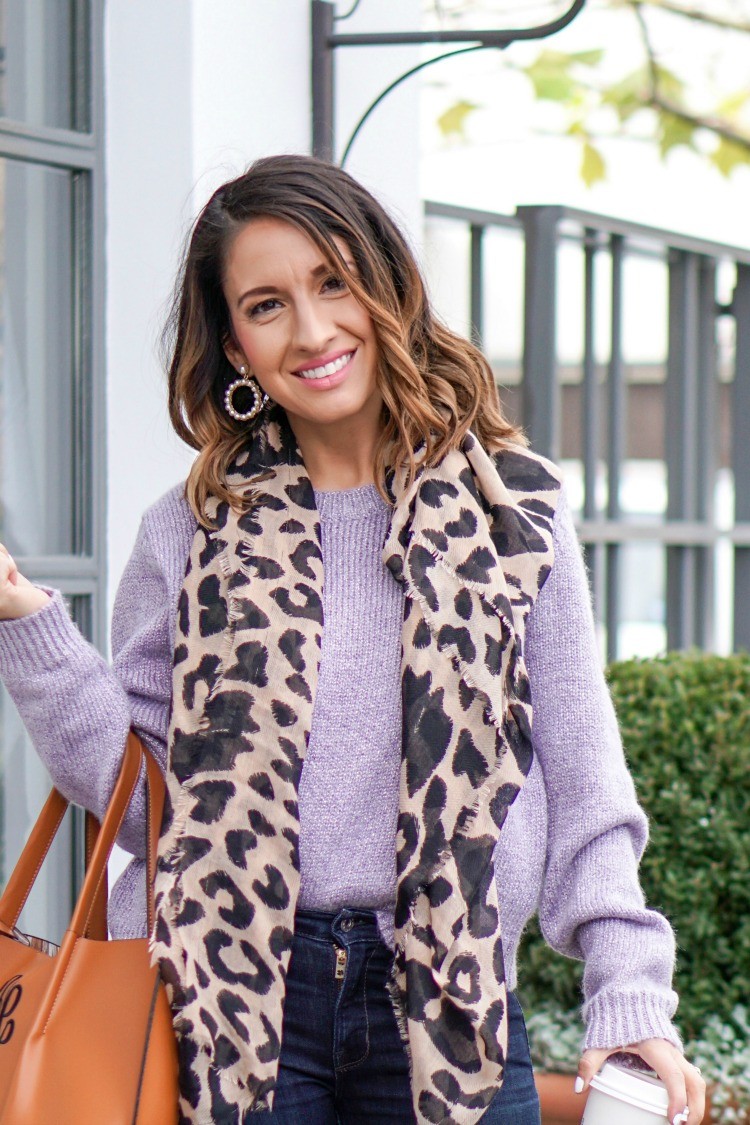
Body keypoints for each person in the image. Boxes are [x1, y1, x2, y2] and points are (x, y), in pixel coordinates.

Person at [0, 154, 705, 1125]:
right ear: (235, 343)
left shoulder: (512, 508)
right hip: (239, 1010)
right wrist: (27, 625)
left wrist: (630, 999)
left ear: (388, 288)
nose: (312, 329)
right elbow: (143, 809)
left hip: (452, 999)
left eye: (334, 283)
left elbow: (586, 781)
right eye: (266, 304)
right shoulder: (191, 528)